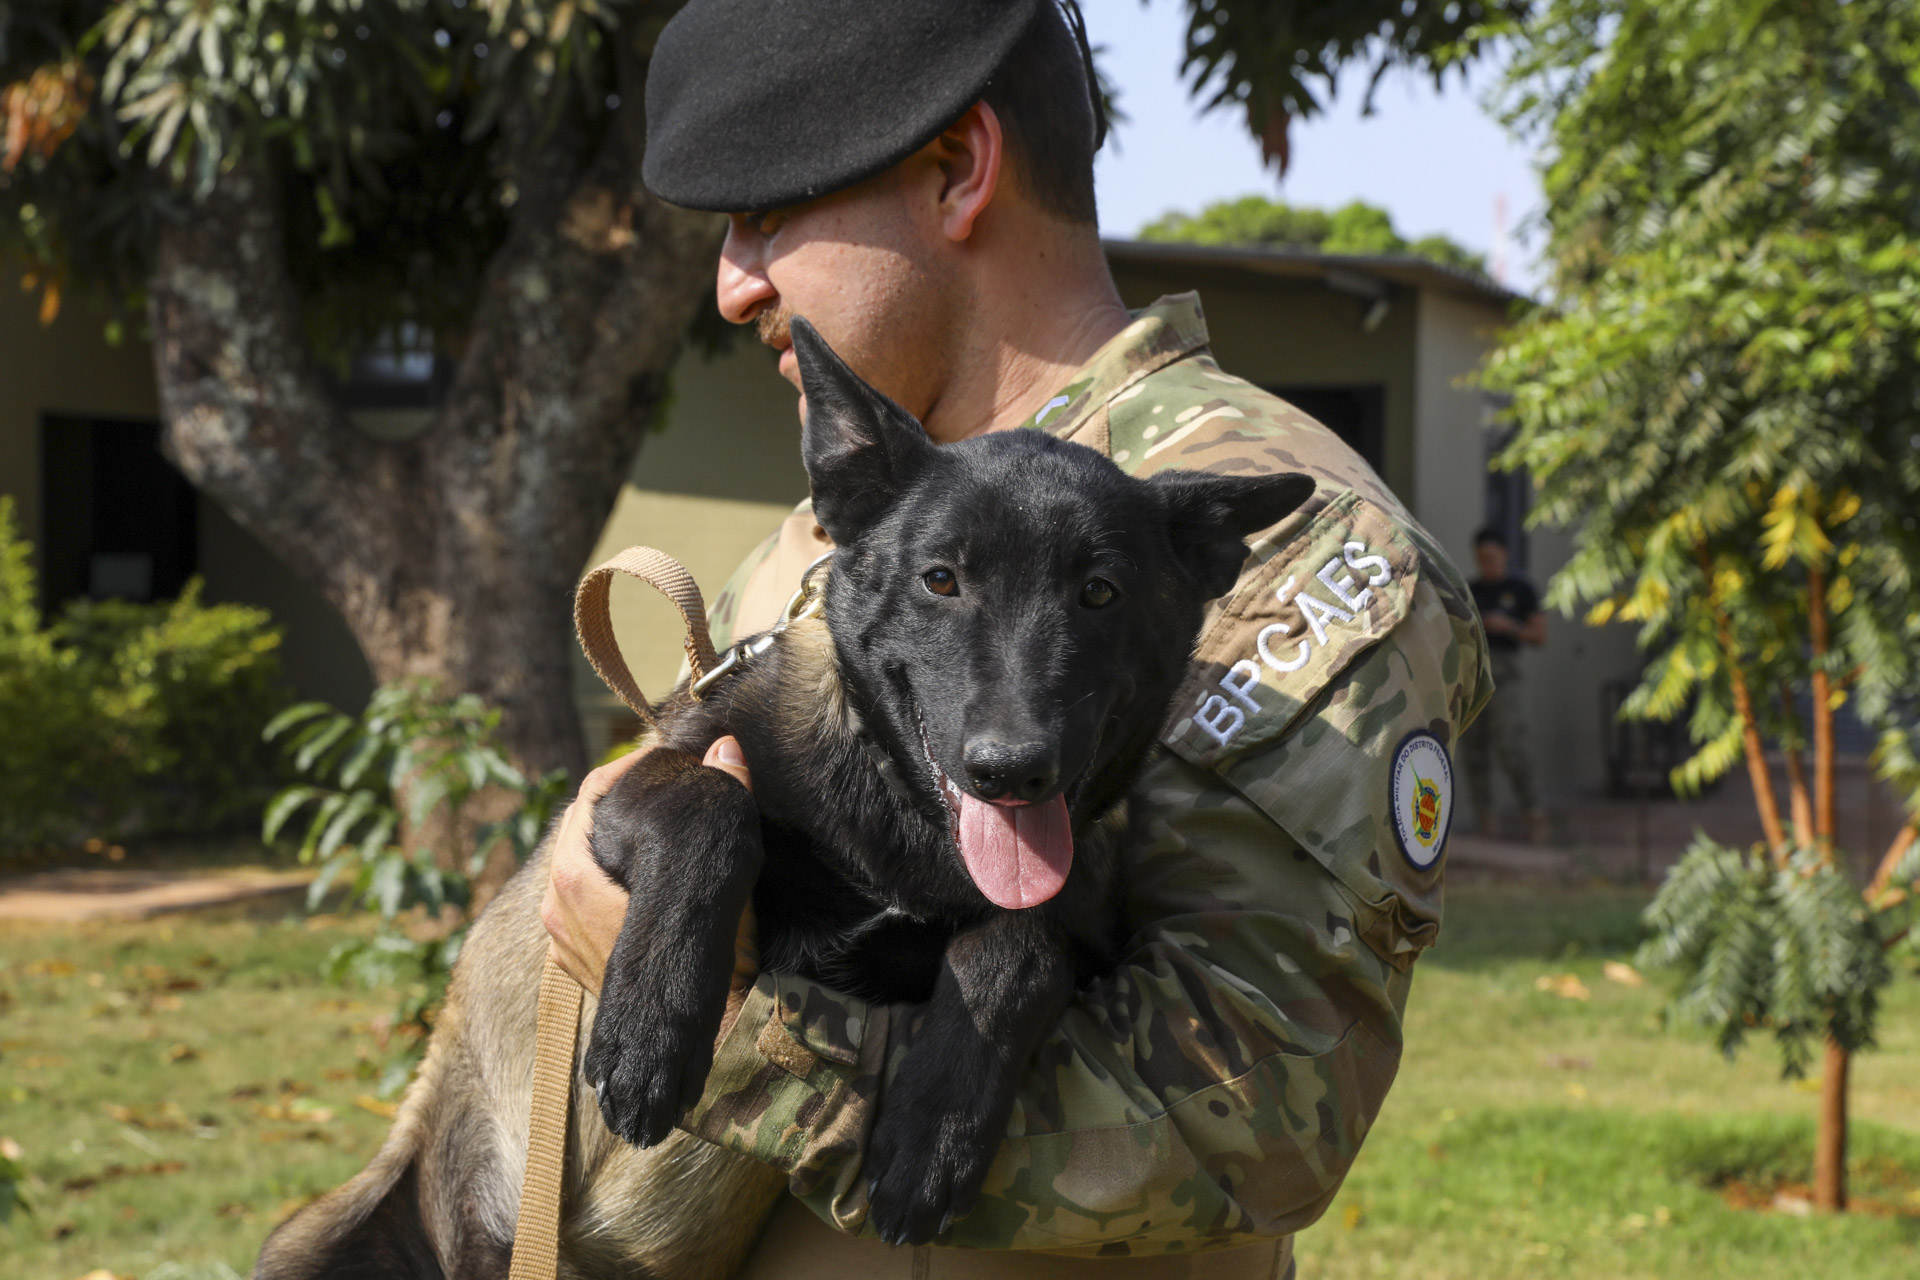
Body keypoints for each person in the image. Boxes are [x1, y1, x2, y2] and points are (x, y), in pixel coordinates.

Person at [541, 2, 1492, 1275]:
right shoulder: (860, 511)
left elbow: (1247, 1115)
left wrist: (750, 1045)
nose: (730, 283)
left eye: (767, 210)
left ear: (959, 170)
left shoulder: (1282, 546)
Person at [1464, 528, 1548, 842]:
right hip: (1474, 673)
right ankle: (1486, 822)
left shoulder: (1521, 588)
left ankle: (1534, 814)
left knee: (1513, 748)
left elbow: (1539, 636)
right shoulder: (1471, 589)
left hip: (1505, 677)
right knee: (1474, 751)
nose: (1486, 564)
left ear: (1504, 555)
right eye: (1481, 558)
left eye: (1492, 557)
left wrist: (1508, 626)